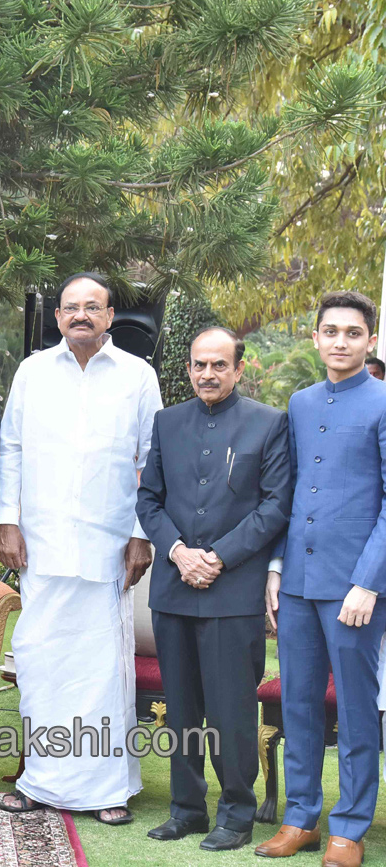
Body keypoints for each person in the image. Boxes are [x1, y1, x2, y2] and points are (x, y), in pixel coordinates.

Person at [0, 272, 160, 825]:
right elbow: (11, 449)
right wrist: (9, 521)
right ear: (58, 318)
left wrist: (141, 533)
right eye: (71, 308)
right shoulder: (32, 372)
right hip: (40, 545)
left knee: (103, 669)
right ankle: (41, 781)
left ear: (111, 316)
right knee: (43, 663)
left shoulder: (138, 376)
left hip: (108, 546)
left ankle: (106, 789)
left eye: (93, 307)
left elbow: (150, 460)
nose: (81, 315)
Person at [135, 327, 291, 851]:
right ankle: (186, 810)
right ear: (188, 369)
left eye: (219, 365)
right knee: (180, 709)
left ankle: (237, 813)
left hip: (233, 590)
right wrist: (178, 552)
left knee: (230, 710)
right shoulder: (167, 421)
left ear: (238, 369)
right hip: (174, 586)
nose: (208, 374)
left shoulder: (269, 423)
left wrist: (218, 557)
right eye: (200, 365)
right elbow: (149, 501)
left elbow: (275, 506)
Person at [259, 291, 386, 867]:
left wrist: (370, 582)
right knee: (301, 704)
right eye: (330, 331)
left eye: (352, 333)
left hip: (354, 588)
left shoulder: (383, 402)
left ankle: (350, 827)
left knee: (357, 711)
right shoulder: (302, 402)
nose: (340, 341)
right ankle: (300, 819)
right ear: (314, 338)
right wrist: (277, 567)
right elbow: (289, 495)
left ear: (371, 341)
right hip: (298, 581)